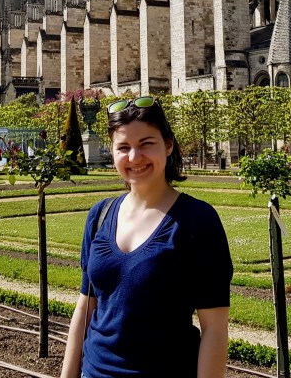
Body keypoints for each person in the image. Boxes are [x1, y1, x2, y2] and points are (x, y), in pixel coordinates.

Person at [60, 96, 232, 378]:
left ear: (168, 144)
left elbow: (214, 328)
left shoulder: (198, 220)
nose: (134, 157)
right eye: (123, 147)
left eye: (146, 144)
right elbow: (85, 307)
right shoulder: (100, 215)